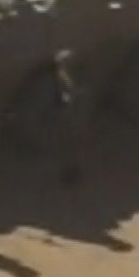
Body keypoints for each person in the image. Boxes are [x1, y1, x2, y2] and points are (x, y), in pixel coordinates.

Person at [55, 49, 87, 186]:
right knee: (70, 148)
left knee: (73, 148)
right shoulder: (61, 76)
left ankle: (72, 174)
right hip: (67, 117)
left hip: (70, 116)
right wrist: (74, 95)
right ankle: (70, 176)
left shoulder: (66, 75)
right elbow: (63, 96)